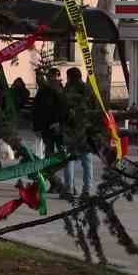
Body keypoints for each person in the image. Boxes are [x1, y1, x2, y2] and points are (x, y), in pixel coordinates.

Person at [61, 67, 95, 195]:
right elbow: (94, 108)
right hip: (84, 130)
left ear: (70, 77)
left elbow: (63, 109)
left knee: (69, 160)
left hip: (70, 131)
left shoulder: (67, 90)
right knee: (87, 160)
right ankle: (87, 189)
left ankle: (69, 187)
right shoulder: (88, 89)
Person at [32, 69, 65, 163]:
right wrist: (37, 127)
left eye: (55, 76)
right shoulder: (43, 91)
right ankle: (49, 166)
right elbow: (37, 110)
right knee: (49, 149)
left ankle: (59, 164)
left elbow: (63, 108)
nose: (53, 79)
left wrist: (59, 122)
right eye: (50, 77)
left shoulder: (60, 90)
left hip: (57, 126)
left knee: (61, 149)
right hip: (47, 126)